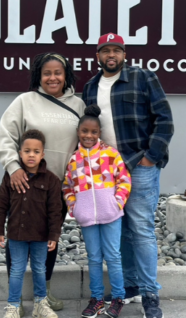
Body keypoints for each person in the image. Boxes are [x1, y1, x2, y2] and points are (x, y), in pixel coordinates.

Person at [82, 33, 174, 318]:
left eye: (116, 50)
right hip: (107, 173)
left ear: (124, 54)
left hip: (139, 166)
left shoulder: (143, 77)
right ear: (97, 56)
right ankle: (131, 285)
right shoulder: (90, 87)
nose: (111, 55)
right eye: (105, 50)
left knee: (142, 230)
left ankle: (150, 293)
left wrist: (151, 157)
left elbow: (165, 120)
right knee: (118, 230)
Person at [0, 52, 85, 314]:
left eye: (58, 72)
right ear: (39, 76)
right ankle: (15, 301)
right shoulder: (24, 102)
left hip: (57, 188)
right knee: (18, 241)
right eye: (47, 73)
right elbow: (4, 138)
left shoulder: (78, 106)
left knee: (49, 240)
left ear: (66, 75)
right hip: (25, 184)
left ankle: (42, 296)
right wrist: (13, 168)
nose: (53, 77)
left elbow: (85, 143)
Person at [62, 105, 131, 318]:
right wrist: (74, 208)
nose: (89, 136)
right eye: (85, 131)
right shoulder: (74, 159)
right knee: (93, 257)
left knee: (113, 256)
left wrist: (117, 203)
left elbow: (125, 179)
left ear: (99, 133)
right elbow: (67, 186)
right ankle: (97, 299)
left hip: (111, 215)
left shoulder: (110, 154)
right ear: (78, 132)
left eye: (93, 132)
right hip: (86, 217)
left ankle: (118, 297)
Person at [0, 130, 62, 318]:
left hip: (41, 236)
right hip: (17, 235)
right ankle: (13, 305)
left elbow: (55, 212)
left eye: (36, 151)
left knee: (40, 269)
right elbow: (1, 204)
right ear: (19, 153)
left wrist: (54, 235)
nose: (31, 155)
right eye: (27, 151)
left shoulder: (51, 180)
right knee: (17, 269)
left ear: (43, 154)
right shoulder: (10, 177)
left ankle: (41, 304)